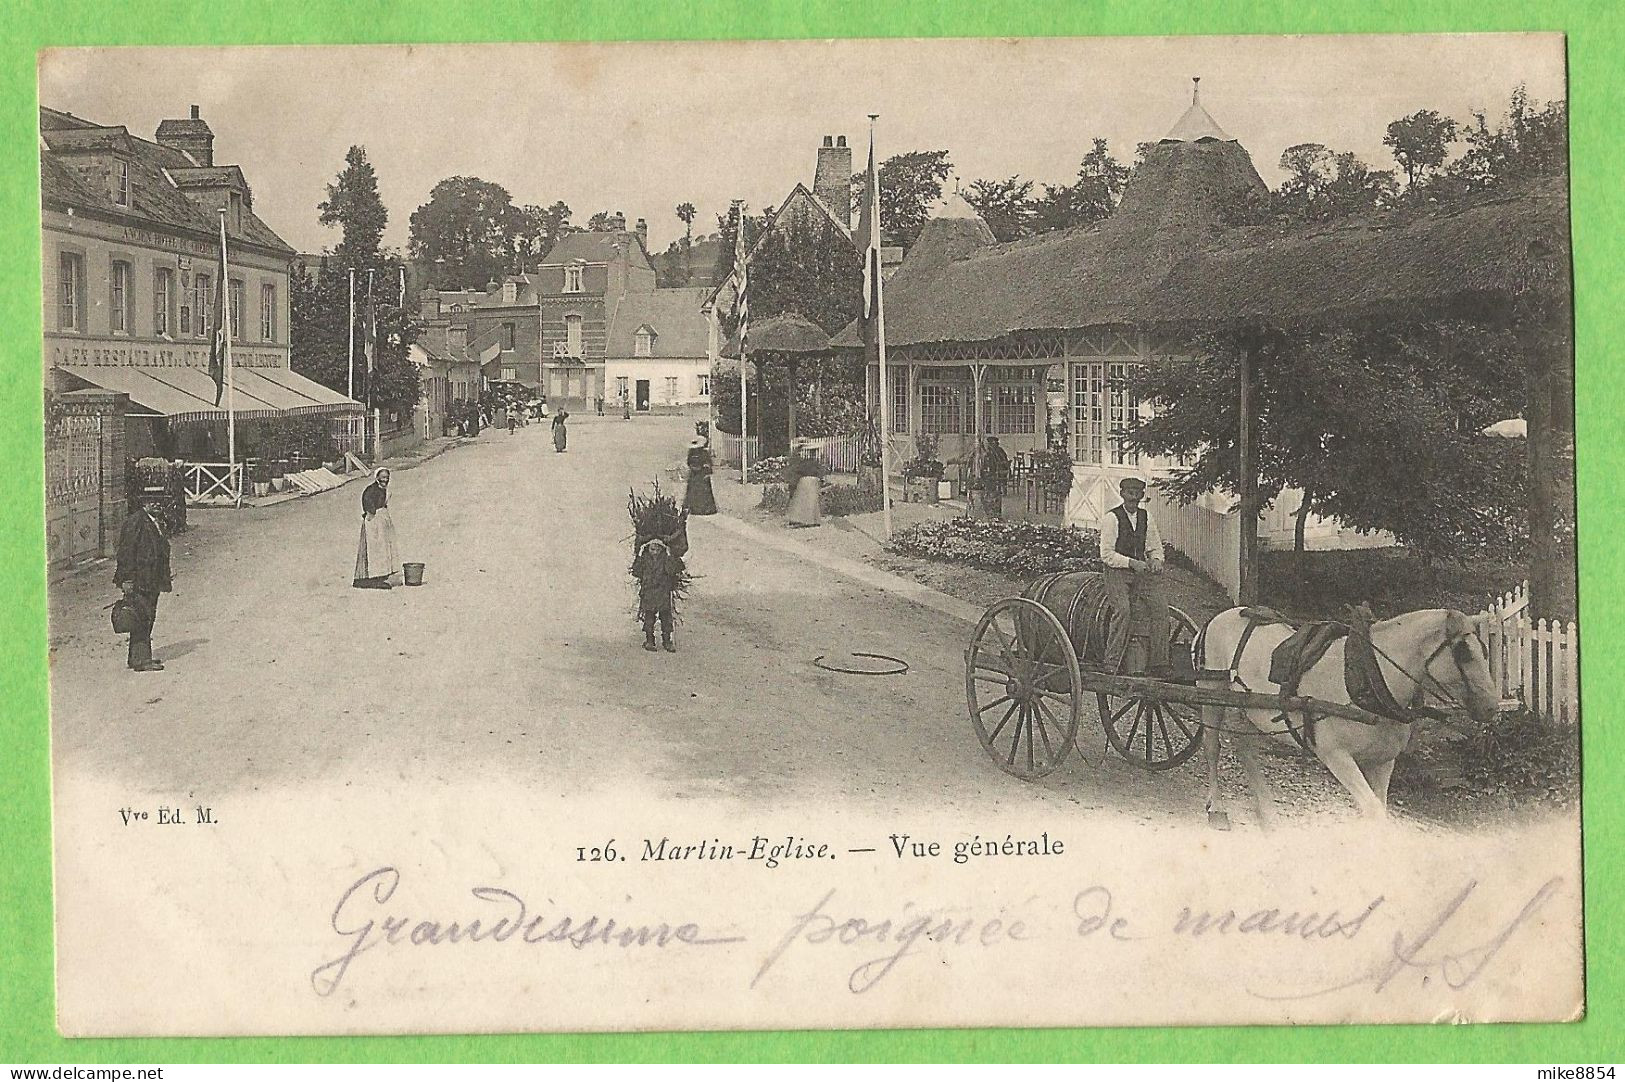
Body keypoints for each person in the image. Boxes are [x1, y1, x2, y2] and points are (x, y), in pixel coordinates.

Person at [1098, 476, 1170, 676]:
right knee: (1123, 610)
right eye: (1130, 494)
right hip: (1116, 573)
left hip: (1140, 573)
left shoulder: (1146, 517)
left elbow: (1155, 546)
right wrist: (1131, 563)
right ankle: (1111, 662)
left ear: (1141, 496)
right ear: (1122, 494)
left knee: (1161, 608)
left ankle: (1159, 663)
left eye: (1137, 494)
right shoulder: (1111, 518)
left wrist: (1156, 559)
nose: (1133, 498)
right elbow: (1106, 555)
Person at [114, 492, 172, 672]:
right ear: (144, 503)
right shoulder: (136, 522)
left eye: (159, 501)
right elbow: (125, 552)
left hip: (151, 578)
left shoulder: (154, 521)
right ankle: (141, 660)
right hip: (140, 579)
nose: (157, 505)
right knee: (141, 617)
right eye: (152, 501)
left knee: (146, 617)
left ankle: (138, 657)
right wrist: (126, 579)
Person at [632, 536, 684, 652]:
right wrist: (639, 557)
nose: (654, 552)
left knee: (666, 617)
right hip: (649, 592)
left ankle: (667, 641)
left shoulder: (665, 559)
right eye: (652, 549)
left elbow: (673, 570)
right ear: (647, 549)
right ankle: (650, 640)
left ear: (662, 549)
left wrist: (671, 556)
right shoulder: (644, 559)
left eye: (657, 549)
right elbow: (636, 572)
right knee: (649, 617)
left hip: (663, 592)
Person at [353, 468, 401, 589]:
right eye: (382, 477)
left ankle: (382, 574)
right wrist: (371, 513)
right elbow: (367, 502)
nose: (385, 479)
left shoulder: (384, 489)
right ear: (377, 477)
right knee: (375, 548)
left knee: (384, 548)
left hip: (382, 521)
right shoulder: (371, 490)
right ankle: (373, 576)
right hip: (374, 522)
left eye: (387, 477)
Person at [785, 439, 823, 528]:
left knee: (807, 499)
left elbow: (797, 470)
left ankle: (807, 519)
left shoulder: (808, 462)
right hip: (809, 481)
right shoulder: (812, 462)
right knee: (807, 499)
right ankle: (809, 519)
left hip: (808, 481)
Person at [684, 436, 717, 516]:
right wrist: (692, 467)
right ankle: (694, 509)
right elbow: (688, 462)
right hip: (694, 474)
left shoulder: (704, 452)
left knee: (703, 492)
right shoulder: (691, 452)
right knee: (693, 491)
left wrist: (705, 469)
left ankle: (705, 510)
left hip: (702, 474)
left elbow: (709, 463)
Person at [979, 435, 1010, 517]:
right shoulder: (988, 452)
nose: (992, 445)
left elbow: (1004, 461)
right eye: (990, 444)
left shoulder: (999, 451)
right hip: (992, 471)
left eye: (993, 443)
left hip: (1000, 469)